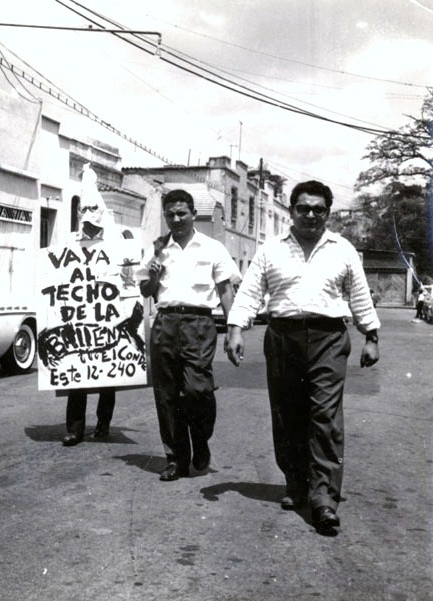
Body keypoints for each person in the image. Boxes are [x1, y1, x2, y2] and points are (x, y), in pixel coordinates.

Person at [225, 180, 380, 534]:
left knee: (324, 415)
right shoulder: (271, 250)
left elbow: (359, 295)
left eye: (318, 209)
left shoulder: (343, 249)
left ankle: (324, 496)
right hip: (282, 336)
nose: (310, 215)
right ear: (292, 211)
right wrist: (235, 329)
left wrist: (371, 336)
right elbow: (250, 292)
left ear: (328, 213)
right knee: (287, 413)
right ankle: (296, 483)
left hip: (328, 337)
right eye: (303, 208)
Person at [138, 188, 241, 480]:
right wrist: (154, 275)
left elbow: (225, 290)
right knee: (166, 394)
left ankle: (201, 440)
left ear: (194, 214)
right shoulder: (158, 248)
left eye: (182, 213)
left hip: (199, 324)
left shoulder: (212, 248)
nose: (176, 219)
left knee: (198, 390)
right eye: (170, 214)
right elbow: (145, 290)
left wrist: (234, 329)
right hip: (165, 322)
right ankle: (175, 459)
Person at [61, 165, 119, 447]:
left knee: (108, 372)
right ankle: (74, 427)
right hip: (78, 318)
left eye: (92, 209)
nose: (87, 216)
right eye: (82, 210)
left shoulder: (114, 243)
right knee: (77, 373)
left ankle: (103, 422)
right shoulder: (70, 243)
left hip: (108, 317)